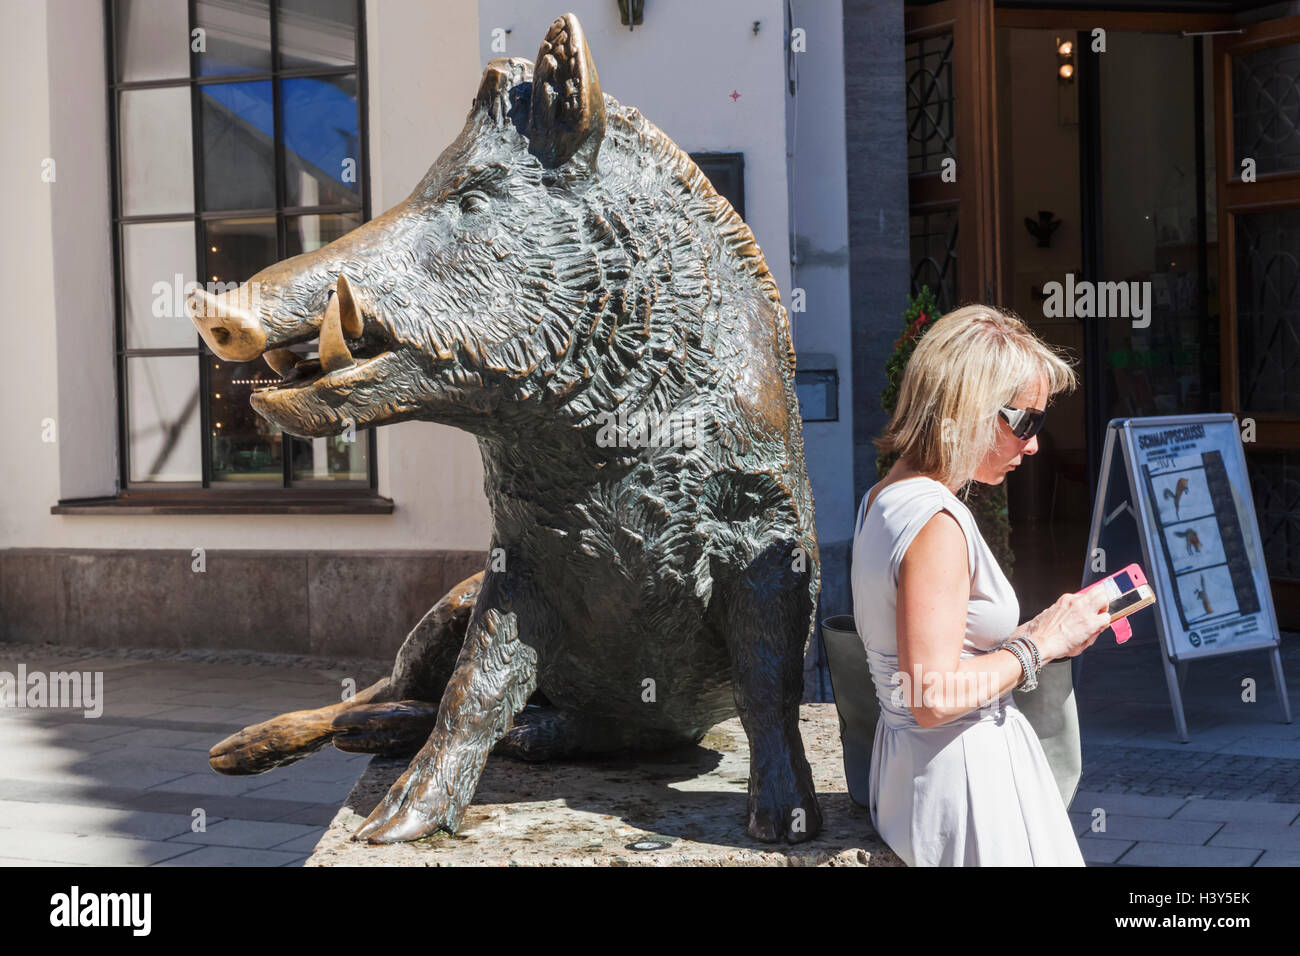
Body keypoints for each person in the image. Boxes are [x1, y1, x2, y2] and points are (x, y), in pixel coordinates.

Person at [851, 303, 1111, 866]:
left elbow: (935, 651)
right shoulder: (936, 520)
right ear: (967, 408)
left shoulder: (884, 497)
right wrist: (1038, 646)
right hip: (964, 783)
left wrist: (1045, 630)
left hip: (920, 772)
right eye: (1027, 422)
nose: (1034, 444)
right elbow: (934, 695)